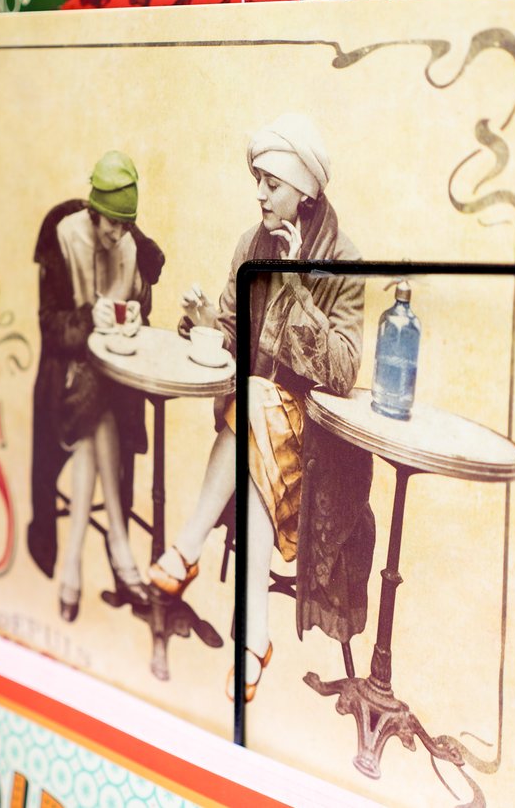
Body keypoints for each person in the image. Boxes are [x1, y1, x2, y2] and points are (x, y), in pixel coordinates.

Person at [148, 114, 365, 700]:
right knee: (253, 408)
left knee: (256, 403)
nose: (261, 193)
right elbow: (231, 335)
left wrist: (295, 283)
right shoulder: (250, 244)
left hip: (316, 436)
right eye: (260, 180)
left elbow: (344, 373)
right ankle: (254, 637)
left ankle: (188, 545)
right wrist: (200, 323)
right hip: (253, 422)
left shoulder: (344, 260)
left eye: (272, 182)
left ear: (305, 190)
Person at [28, 151, 163, 620]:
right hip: (64, 380)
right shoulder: (63, 239)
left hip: (111, 383)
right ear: (93, 211)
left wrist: (131, 316)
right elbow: (50, 327)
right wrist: (87, 319)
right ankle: (119, 543)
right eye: (111, 225)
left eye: (126, 227)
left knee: (100, 412)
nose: (118, 235)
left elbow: (140, 311)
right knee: (95, 412)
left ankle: (73, 564)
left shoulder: (127, 248)